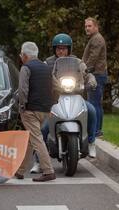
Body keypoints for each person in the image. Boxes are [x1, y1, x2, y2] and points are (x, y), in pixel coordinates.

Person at [30, 33, 98, 173]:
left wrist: (91, 79)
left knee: (91, 111)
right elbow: (39, 74)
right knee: (43, 129)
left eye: (64, 48)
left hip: (76, 97)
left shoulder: (77, 61)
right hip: (55, 99)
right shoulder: (47, 63)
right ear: (54, 49)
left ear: (69, 49)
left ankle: (91, 142)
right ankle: (37, 161)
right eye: (58, 48)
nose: (61, 51)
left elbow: (87, 72)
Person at [15, 41, 56, 182]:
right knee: (31, 139)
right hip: (45, 110)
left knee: (37, 140)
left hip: (30, 110)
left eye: (21, 55)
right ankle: (20, 170)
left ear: (25, 55)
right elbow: (56, 86)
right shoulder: (46, 68)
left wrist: (22, 107)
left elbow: (22, 90)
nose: (21, 57)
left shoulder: (26, 68)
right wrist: (52, 104)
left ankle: (48, 171)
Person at [83, 17, 107, 137]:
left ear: (96, 27)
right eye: (86, 26)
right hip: (97, 74)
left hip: (96, 75)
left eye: (89, 26)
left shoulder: (97, 39)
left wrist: (84, 70)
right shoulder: (94, 38)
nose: (87, 28)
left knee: (94, 104)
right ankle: (97, 130)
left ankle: (96, 130)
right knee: (96, 103)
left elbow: (93, 57)